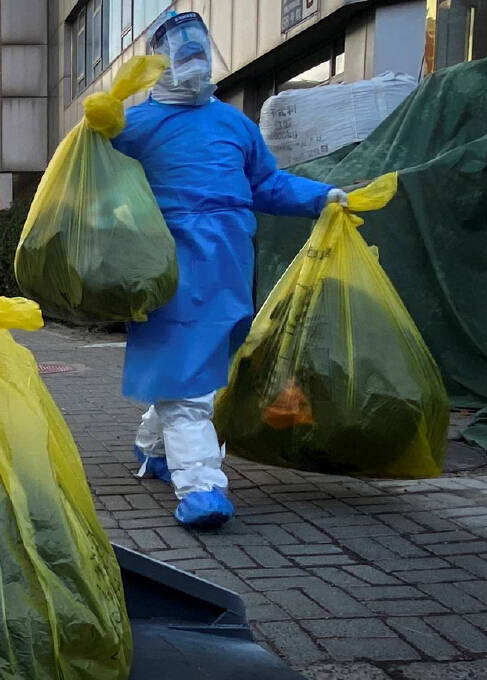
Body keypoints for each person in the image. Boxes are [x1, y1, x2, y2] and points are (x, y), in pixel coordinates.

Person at [109, 11, 348, 530]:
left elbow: (267, 185)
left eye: (199, 53)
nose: (193, 63)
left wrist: (320, 197)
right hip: (169, 269)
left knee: (195, 369)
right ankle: (200, 487)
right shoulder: (133, 127)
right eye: (182, 54)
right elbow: (93, 186)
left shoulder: (235, 124)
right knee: (192, 382)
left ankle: (152, 448)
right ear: (158, 64)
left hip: (230, 266)